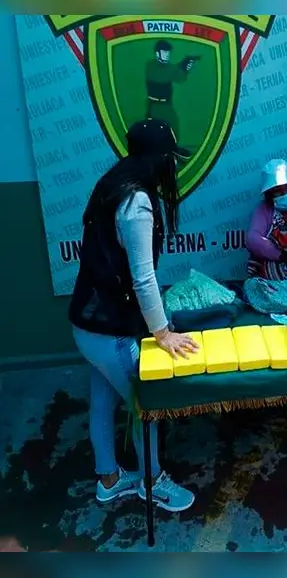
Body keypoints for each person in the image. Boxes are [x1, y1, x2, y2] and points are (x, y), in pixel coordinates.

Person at [68, 118, 198, 512]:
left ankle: (108, 479)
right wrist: (162, 333)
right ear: (157, 159)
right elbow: (143, 278)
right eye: (170, 159)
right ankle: (152, 480)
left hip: (87, 324)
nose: (173, 167)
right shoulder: (137, 203)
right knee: (147, 405)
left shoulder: (112, 183)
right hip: (110, 331)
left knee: (103, 400)